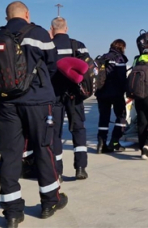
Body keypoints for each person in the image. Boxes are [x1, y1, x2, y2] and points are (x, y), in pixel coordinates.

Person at [0, 1, 67, 227]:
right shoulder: (37, 33)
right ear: (27, 14)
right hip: (37, 101)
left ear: (7, 16)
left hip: (7, 103)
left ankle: (13, 210)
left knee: (10, 154)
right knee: (43, 149)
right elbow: (53, 65)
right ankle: (49, 201)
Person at [49, 16, 89, 180]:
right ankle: (80, 168)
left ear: (52, 29)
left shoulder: (48, 46)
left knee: (55, 133)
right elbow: (87, 69)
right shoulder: (78, 46)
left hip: (54, 95)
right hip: (75, 96)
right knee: (78, 129)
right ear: (66, 28)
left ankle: (57, 171)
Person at [96, 39, 129, 153]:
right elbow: (121, 78)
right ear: (122, 47)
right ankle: (114, 142)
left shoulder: (102, 58)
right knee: (121, 116)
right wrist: (126, 90)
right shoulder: (119, 59)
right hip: (116, 93)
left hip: (101, 92)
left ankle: (101, 143)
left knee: (103, 118)